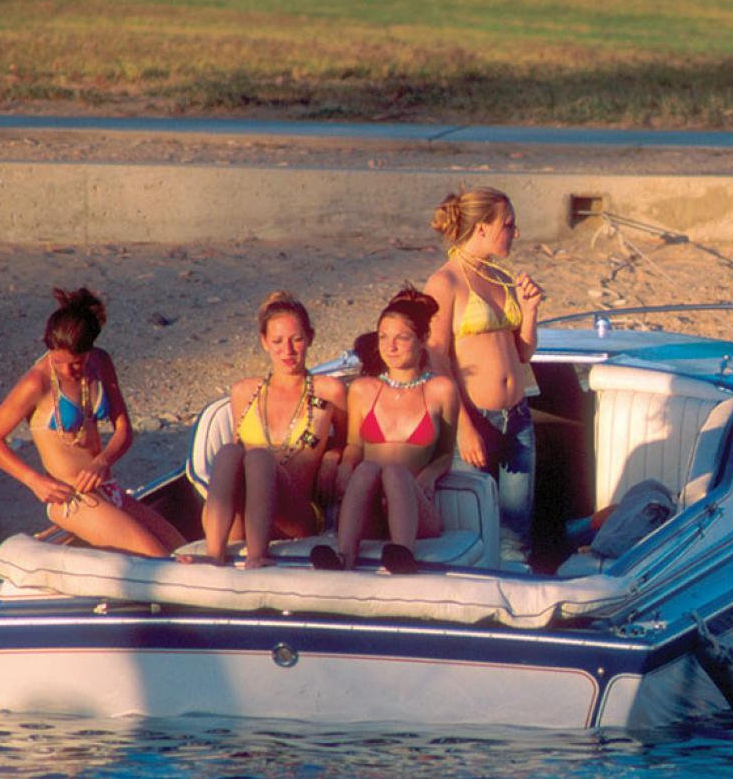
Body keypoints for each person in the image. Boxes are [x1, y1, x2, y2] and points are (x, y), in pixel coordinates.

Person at [0, 287, 184, 557]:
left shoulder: (100, 362)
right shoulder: (37, 382)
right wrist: (34, 481)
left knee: (180, 548)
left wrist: (102, 462)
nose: (67, 370)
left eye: (76, 362)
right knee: (158, 559)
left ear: (90, 349)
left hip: (107, 488)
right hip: (71, 498)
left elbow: (123, 430)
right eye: (58, 361)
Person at [423, 186, 544, 569]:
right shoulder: (445, 283)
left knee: (516, 533)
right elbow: (436, 359)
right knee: (472, 528)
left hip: (517, 416)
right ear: (481, 228)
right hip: (475, 417)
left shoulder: (502, 277)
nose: (515, 232)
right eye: (508, 225)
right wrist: (463, 427)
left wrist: (529, 310)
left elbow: (523, 353)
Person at [184, 292, 346, 568]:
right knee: (230, 451)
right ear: (264, 342)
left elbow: (352, 441)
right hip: (242, 518)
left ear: (310, 338)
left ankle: (257, 556)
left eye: (296, 339)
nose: (288, 351)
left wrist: (333, 456)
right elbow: (235, 469)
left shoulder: (329, 390)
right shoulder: (244, 392)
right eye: (277, 341)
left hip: (294, 516)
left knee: (258, 458)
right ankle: (214, 553)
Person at [318, 289, 459, 574]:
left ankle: (402, 555)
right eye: (383, 337)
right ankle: (344, 556)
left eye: (401, 338)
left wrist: (430, 475)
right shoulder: (362, 389)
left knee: (394, 473)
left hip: (416, 508)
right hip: (370, 508)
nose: (390, 347)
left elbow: (446, 453)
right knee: (368, 468)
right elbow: (355, 445)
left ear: (422, 340)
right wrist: (345, 465)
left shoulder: (441, 390)